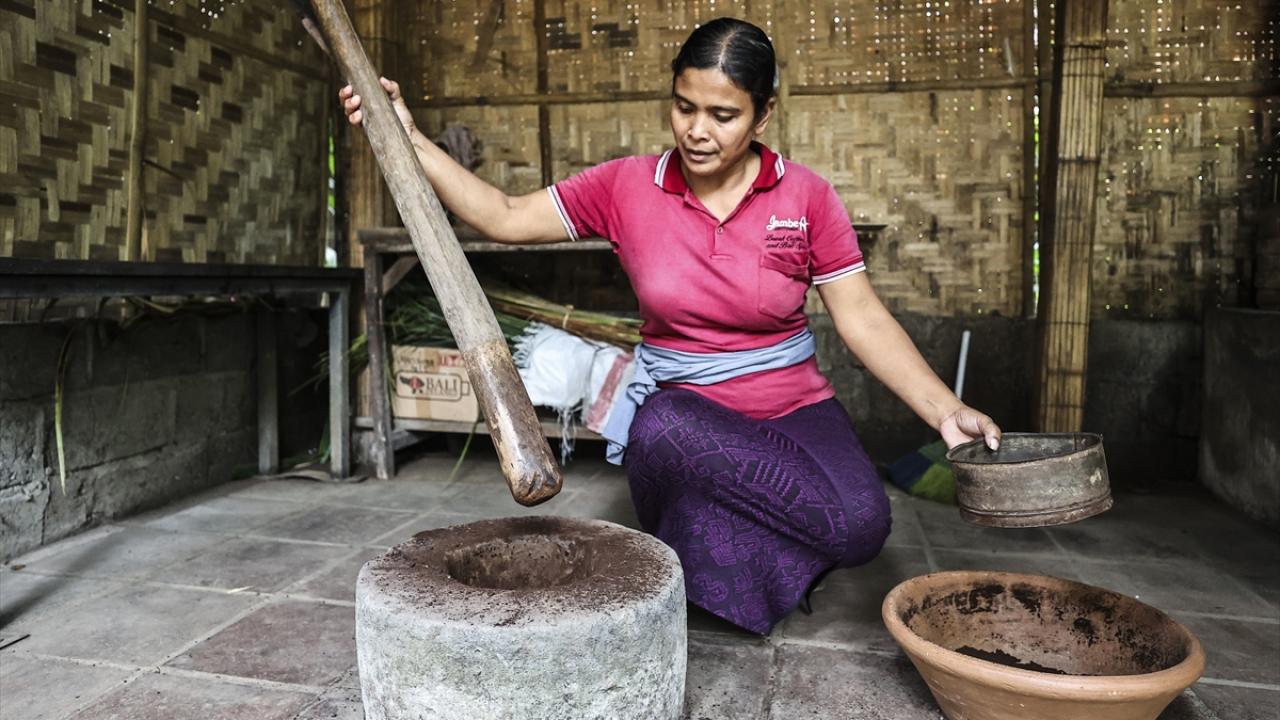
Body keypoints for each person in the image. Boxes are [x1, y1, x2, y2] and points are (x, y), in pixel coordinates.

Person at [341, 17, 1001, 635]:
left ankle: (715, 562)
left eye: (723, 114)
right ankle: (721, 548)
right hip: (683, 424)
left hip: (793, 409)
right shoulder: (628, 186)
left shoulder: (806, 198)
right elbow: (507, 216)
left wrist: (945, 410)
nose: (697, 131)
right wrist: (409, 136)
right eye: (685, 106)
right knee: (659, 422)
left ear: (764, 112)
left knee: (862, 526)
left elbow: (862, 316)